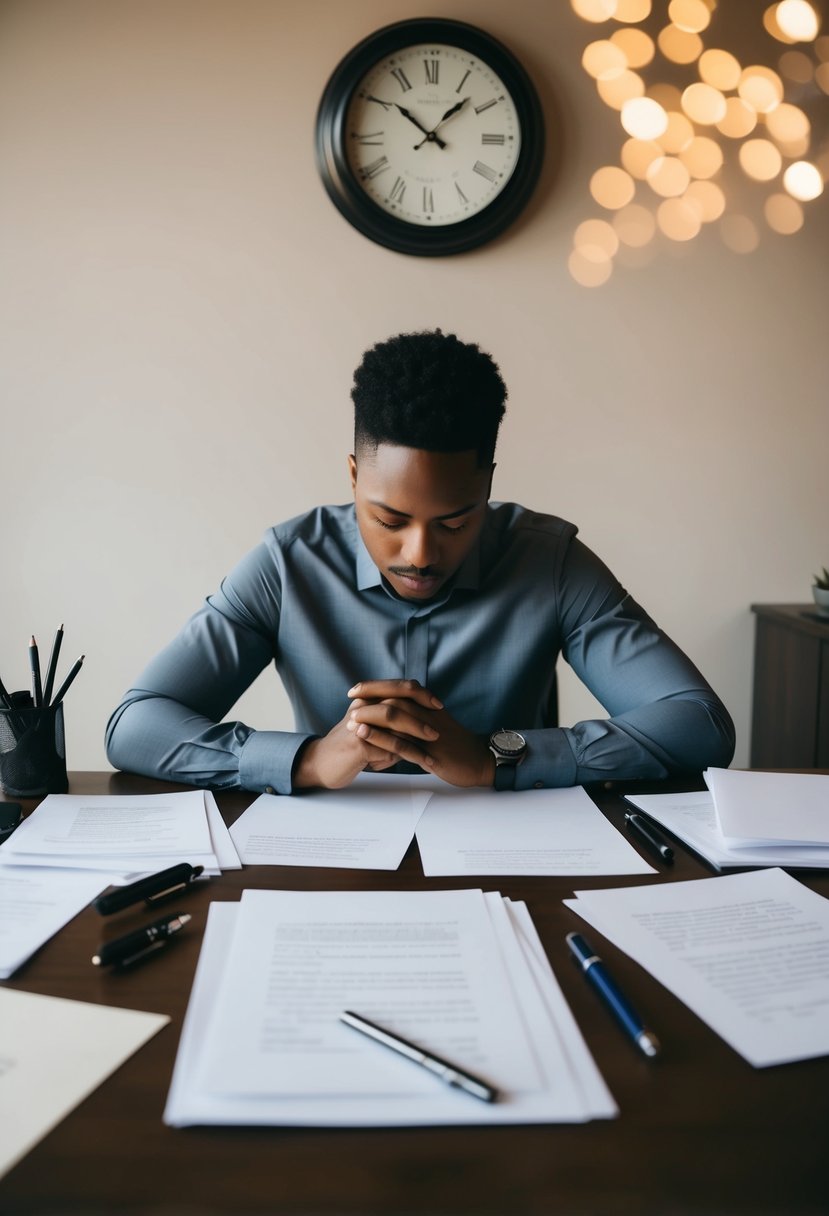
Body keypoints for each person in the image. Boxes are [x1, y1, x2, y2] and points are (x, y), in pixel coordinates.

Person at [105, 329, 735, 794]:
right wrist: (308, 761)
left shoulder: (551, 561)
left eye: (456, 520)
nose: (421, 554)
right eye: (389, 519)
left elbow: (701, 725)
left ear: (488, 483)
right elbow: (135, 726)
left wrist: (497, 757)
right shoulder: (285, 564)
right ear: (353, 477)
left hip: (520, 866)